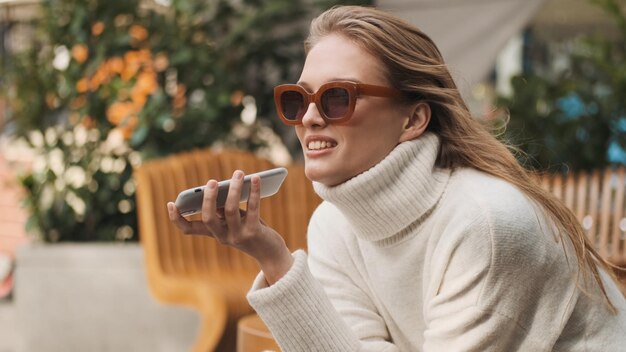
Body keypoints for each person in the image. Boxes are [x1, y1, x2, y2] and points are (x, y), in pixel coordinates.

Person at [167, 5, 626, 351]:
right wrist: (271, 257)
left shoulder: (485, 224)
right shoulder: (334, 225)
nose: (308, 117)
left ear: (413, 119)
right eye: (297, 99)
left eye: (337, 98)